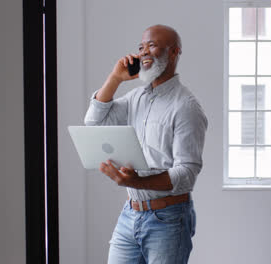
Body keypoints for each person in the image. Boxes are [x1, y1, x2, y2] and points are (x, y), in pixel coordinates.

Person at [84, 24, 207, 264]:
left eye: (152, 45)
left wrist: (136, 181)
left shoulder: (186, 107)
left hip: (169, 219)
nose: (143, 52)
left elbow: (187, 174)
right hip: (131, 213)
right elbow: (94, 121)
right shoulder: (135, 98)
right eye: (141, 47)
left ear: (174, 52)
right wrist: (115, 78)